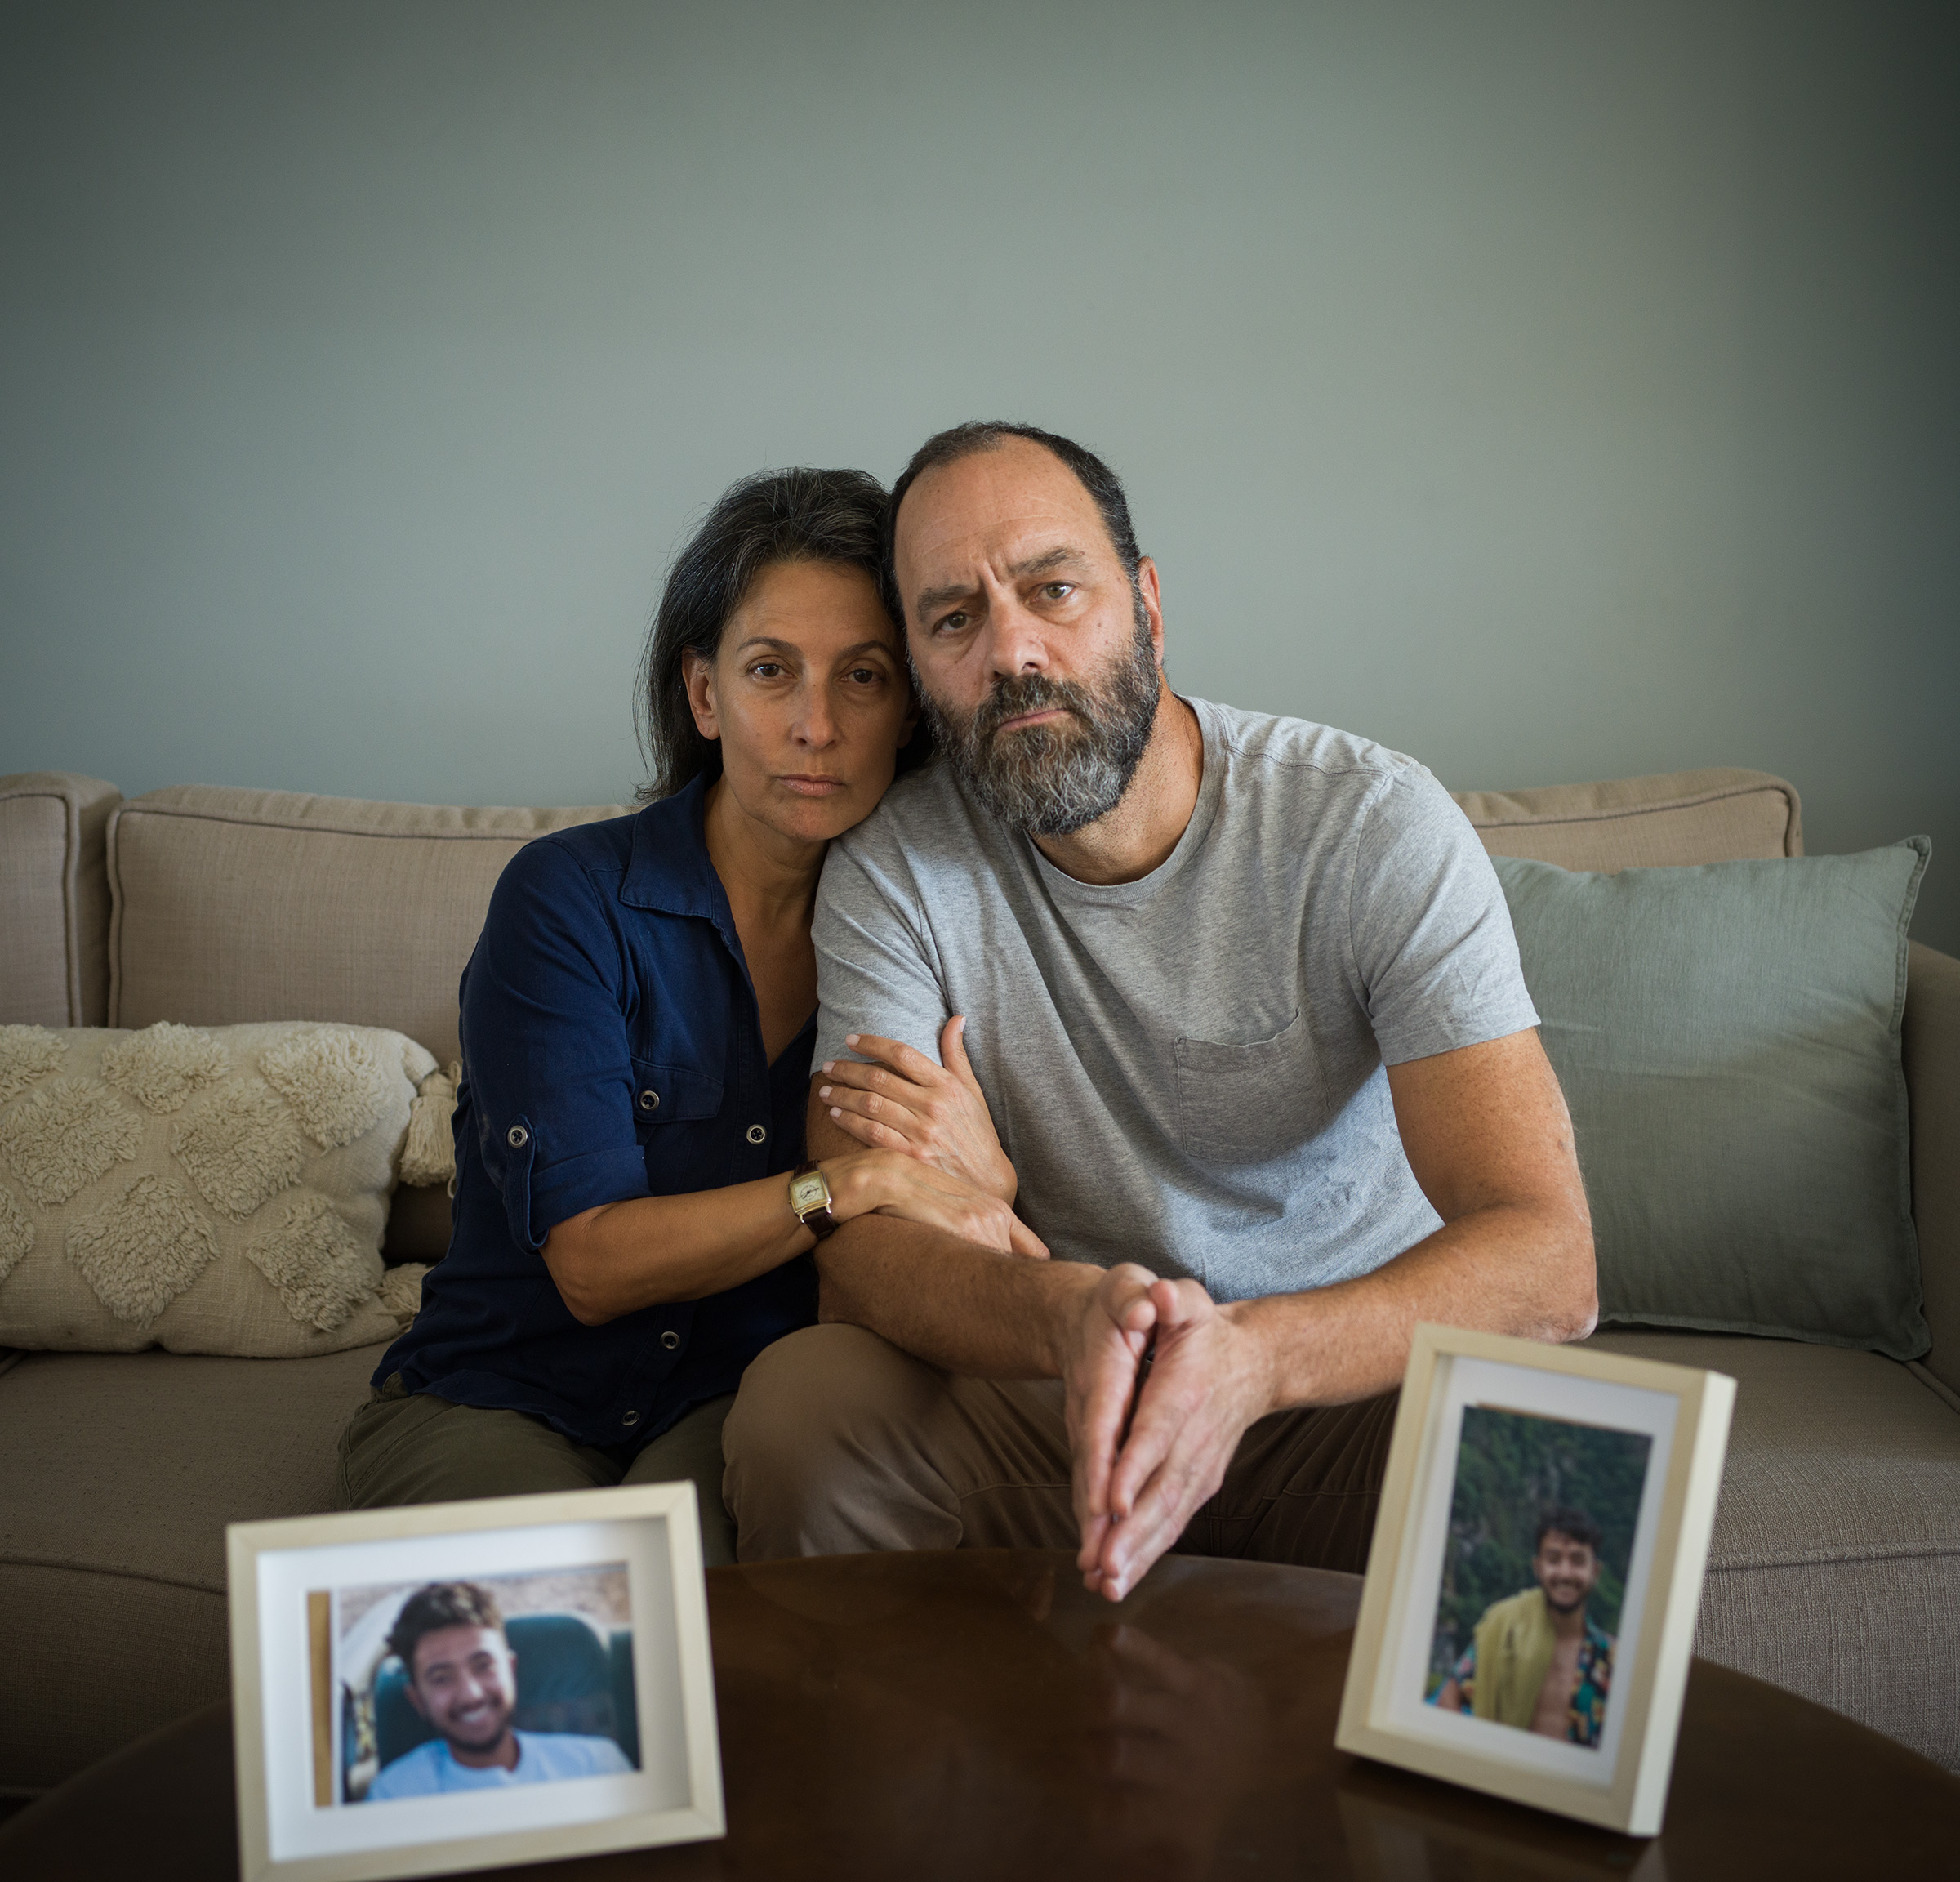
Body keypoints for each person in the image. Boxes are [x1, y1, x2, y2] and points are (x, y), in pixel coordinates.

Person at [722, 421, 1597, 1599]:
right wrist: (1066, 1316)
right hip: (1060, 1389)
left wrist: (1252, 1359)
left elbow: (1550, 1258)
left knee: (1556, 1439)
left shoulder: (1369, 825)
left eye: (1052, 589)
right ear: (925, 674)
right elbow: (869, 1245)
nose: (1013, 651)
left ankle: (1451, 1785)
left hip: (1341, 1392)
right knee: (803, 1407)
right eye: (953, 618)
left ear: (1145, 605)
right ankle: (924, 1780)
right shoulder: (895, 869)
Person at [335, 468, 1024, 1561]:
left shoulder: (939, 928)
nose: (816, 725)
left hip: (739, 1402)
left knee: (718, 1619)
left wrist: (987, 1183)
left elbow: (977, 1211)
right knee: (535, 1624)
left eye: (864, 676)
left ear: (911, 709)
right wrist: (852, 1182)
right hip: (507, 1392)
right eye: (769, 672)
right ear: (704, 696)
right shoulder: (568, 899)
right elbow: (594, 1264)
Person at [364, 1581, 631, 1798]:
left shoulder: (596, 1766)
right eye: (442, 1678)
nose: (472, 1695)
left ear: (510, 1670)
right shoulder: (394, 1795)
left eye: (483, 1666)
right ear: (417, 1700)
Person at [1431, 1505, 1615, 1744]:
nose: (1565, 1572)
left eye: (1578, 1561)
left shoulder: (1609, 1660)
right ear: (1538, 1567)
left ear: (1595, 1572)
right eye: (1554, 1559)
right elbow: (1449, 1699)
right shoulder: (1505, 1632)